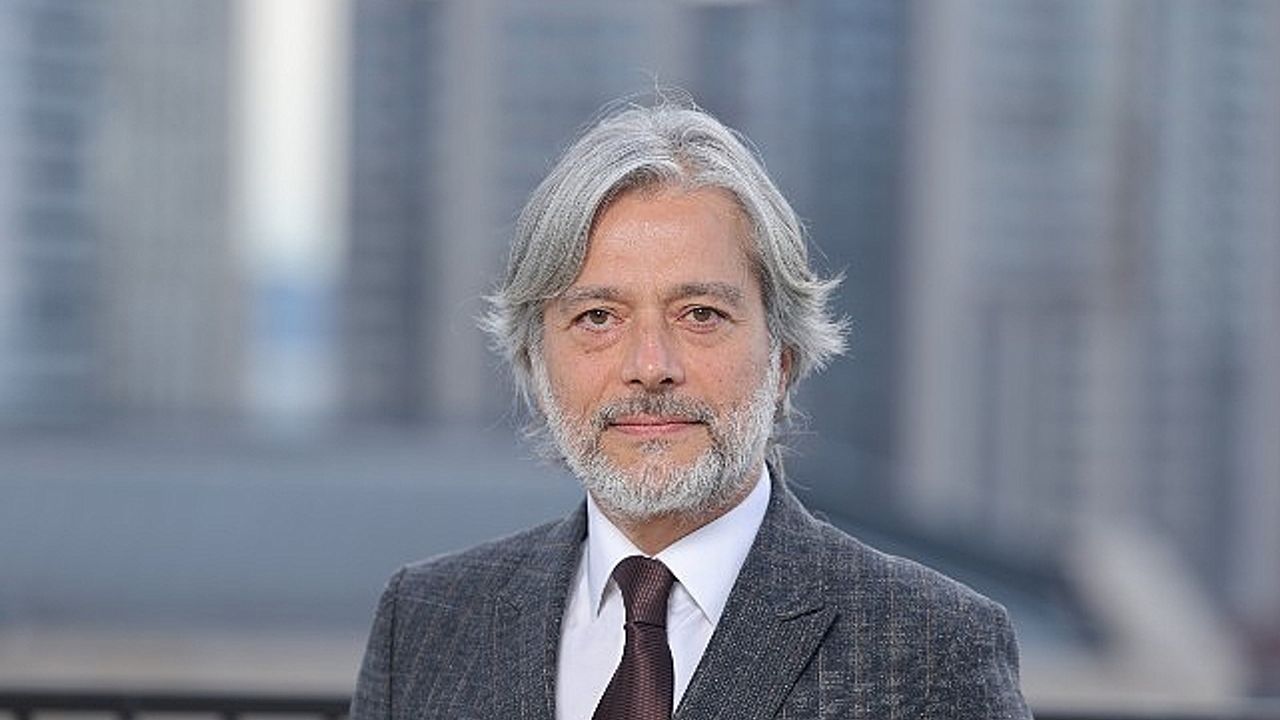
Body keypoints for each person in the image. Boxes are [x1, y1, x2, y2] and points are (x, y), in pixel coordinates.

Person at [350, 97, 1032, 719]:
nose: (650, 367)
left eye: (700, 313)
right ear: (535, 360)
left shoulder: (932, 647)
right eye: (597, 317)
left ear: (783, 357)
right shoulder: (426, 621)